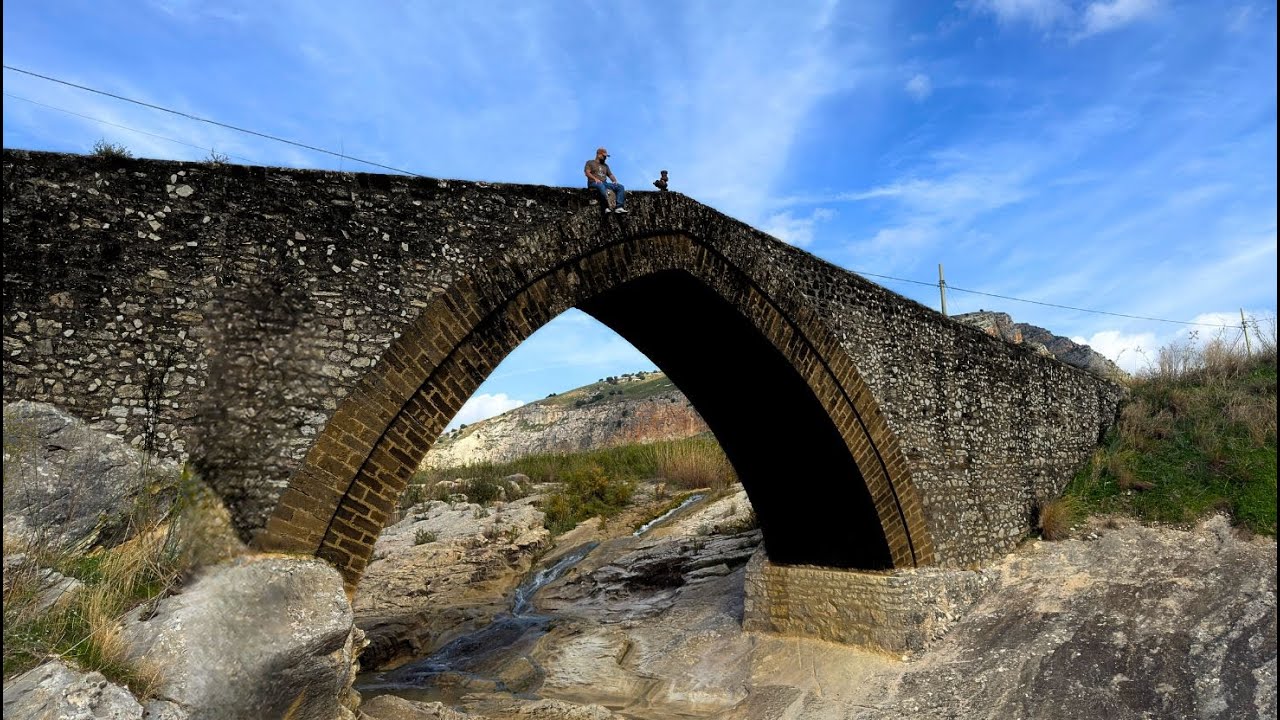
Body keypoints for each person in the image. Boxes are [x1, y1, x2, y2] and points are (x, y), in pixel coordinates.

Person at [584, 147, 627, 213]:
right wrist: (595, 179)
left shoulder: (605, 166)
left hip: (604, 183)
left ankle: (619, 207)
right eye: (604, 156)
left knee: (620, 187)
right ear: (599, 155)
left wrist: (614, 181)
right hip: (593, 183)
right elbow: (587, 173)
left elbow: (610, 175)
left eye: (606, 156)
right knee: (601, 185)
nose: (605, 158)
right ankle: (605, 207)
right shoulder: (590, 162)